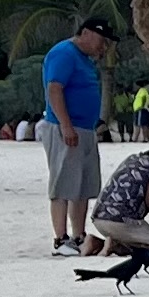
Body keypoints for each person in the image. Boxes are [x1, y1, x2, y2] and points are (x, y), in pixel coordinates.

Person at [39, 17, 116, 257]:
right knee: (63, 183)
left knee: (82, 184)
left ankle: (78, 235)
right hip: (66, 127)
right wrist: (66, 125)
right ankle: (60, 238)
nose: (103, 47)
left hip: (85, 128)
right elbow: (54, 89)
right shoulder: (64, 53)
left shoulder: (85, 60)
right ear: (86, 33)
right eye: (101, 40)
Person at [84, 149, 149, 257]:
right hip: (121, 220)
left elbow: (138, 198)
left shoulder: (133, 159)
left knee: (135, 242)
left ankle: (98, 243)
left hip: (100, 218)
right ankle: (112, 244)